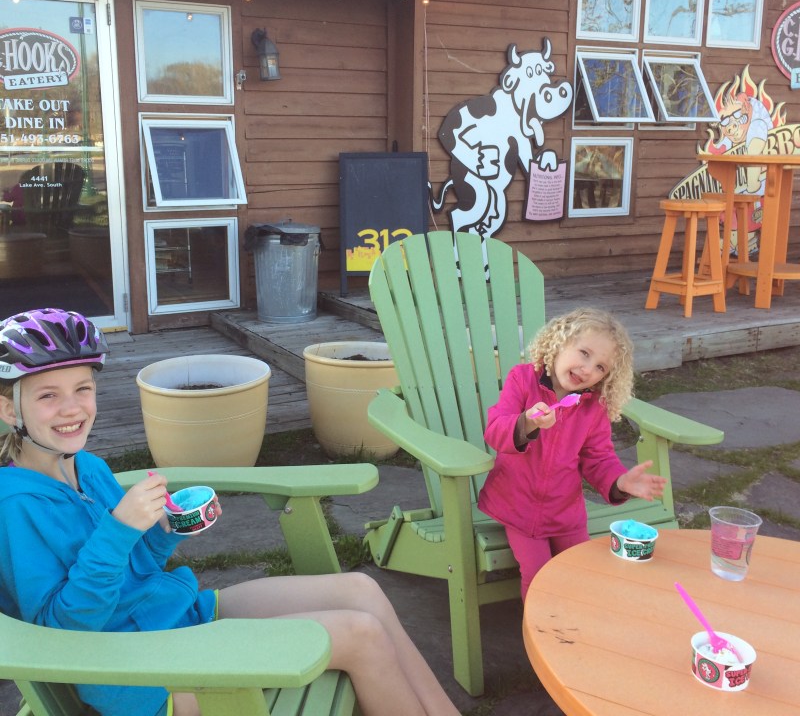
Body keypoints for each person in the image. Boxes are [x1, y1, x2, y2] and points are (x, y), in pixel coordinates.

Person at [0, 308, 460, 716]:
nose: (72, 408)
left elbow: (134, 569)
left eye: (82, 388)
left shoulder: (87, 467)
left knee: (361, 590)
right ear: (8, 409)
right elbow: (61, 630)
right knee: (359, 635)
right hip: (143, 678)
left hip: (179, 621)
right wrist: (120, 529)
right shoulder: (15, 506)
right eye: (48, 396)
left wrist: (163, 530)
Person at [478, 307, 666, 599]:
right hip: (517, 507)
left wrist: (620, 482)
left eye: (600, 367)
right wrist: (528, 422)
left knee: (581, 572)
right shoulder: (523, 380)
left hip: (565, 514)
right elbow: (494, 430)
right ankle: (539, 626)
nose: (588, 369)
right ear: (559, 343)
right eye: (584, 353)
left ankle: (575, 624)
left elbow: (599, 458)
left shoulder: (594, 406)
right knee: (539, 575)